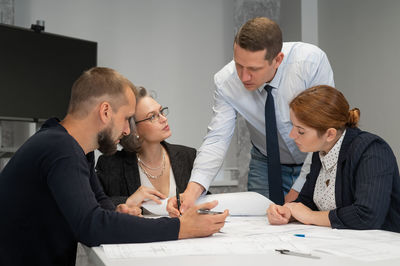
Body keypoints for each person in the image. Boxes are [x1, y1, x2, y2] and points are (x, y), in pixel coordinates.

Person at [0, 67, 228, 266]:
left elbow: (101, 207)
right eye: (126, 118)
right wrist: (180, 228)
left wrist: (119, 211)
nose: (128, 131)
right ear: (105, 112)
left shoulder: (76, 149)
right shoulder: (61, 149)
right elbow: (91, 226)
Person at [168, 17, 334, 216]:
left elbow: (322, 131)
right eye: (239, 65)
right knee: (259, 225)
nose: (243, 77)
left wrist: (297, 189)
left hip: (315, 159)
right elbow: (217, 139)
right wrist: (192, 191)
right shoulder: (226, 81)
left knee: (308, 224)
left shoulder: (310, 62)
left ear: (277, 60)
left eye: (254, 69)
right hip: (265, 163)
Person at [267, 85, 400, 233]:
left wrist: (311, 216)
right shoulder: (321, 151)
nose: (292, 135)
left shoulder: (372, 151)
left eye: (300, 131)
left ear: (330, 134)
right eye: (293, 126)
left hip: (383, 247)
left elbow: (367, 215)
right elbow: (307, 202)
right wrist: (288, 212)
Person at [96, 87, 196, 208]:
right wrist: (128, 201)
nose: (164, 119)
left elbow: (204, 199)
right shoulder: (111, 164)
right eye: (152, 117)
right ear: (133, 129)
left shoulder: (188, 156)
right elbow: (95, 205)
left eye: (161, 111)